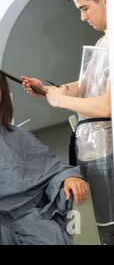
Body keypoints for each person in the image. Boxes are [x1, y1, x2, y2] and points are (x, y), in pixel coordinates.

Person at [20, 0, 114, 245]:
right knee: (98, 221)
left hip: (107, 150)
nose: (83, 17)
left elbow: (108, 106)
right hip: (91, 146)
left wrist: (59, 100)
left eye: (85, 8)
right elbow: (85, 85)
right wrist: (50, 90)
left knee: (110, 227)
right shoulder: (101, 43)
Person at [0, 73, 88, 245]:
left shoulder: (18, 136)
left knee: (50, 237)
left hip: (27, 218)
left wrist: (69, 178)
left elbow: (53, 169)